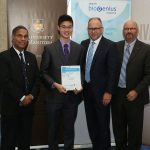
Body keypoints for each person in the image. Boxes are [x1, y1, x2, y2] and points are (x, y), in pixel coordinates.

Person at [40, 14, 83, 150]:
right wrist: (54, 84)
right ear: (58, 28)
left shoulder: (79, 48)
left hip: (72, 99)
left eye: (69, 27)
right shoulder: (49, 49)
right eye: (63, 27)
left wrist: (80, 85)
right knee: (53, 131)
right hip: (54, 99)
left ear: (72, 28)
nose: (66, 30)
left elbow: (82, 71)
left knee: (69, 131)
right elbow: (43, 72)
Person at [111, 20, 150, 150]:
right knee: (118, 128)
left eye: (132, 28)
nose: (129, 31)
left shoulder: (146, 49)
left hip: (135, 96)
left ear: (137, 31)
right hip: (117, 95)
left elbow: (148, 75)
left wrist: (136, 91)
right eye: (126, 29)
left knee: (135, 130)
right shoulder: (116, 47)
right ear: (123, 31)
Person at [0, 25, 40, 150]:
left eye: (25, 36)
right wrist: (22, 97)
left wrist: (31, 96)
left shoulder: (31, 57)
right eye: (19, 36)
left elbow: (37, 80)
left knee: (25, 141)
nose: (23, 39)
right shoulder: (3, 57)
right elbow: (5, 82)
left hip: (28, 109)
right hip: (10, 108)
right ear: (13, 38)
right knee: (8, 142)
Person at [81, 17, 118, 150]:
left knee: (102, 126)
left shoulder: (110, 46)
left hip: (103, 94)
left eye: (96, 28)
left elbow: (112, 72)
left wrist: (108, 92)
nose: (93, 31)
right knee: (92, 125)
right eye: (90, 28)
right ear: (87, 30)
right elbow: (81, 67)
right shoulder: (83, 44)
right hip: (87, 93)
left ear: (101, 29)